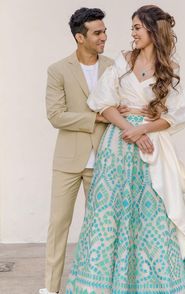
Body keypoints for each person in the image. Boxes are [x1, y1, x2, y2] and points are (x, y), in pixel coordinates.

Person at [66, 5, 185, 294]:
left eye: (137, 27)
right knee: (110, 215)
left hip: (151, 150)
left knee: (153, 216)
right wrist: (130, 128)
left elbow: (176, 115)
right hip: (117, 147)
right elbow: (102, 101)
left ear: (153, 30)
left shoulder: (169, 70)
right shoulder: (124, 60)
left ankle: (150, 285)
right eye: (132, 28)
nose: (133, 33)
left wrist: (143, 129)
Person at [40, 7, 137, 294]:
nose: (104, 37)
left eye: (104, 31)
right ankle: (50, 288)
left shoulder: (115, 66)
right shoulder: (58, 70)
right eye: (98, 33)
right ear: (80, 38)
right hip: (68, 161)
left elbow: (123, 105)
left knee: (104, 229)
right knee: (58, 225)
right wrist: (97, 117)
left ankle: (101, 286)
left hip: (106, 160)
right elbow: (56, 115)